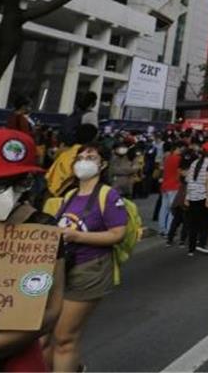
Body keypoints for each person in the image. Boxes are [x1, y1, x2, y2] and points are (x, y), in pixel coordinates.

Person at [0, 129, 66, 373]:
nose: (5, 192)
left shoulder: (40, 228)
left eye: (17, 182)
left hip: (6, 360)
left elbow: (50, 312)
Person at [51, 142, 129, 373]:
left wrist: (77, 236)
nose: (84, 161)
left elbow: (117, 235)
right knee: (48, 336)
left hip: (89, 269)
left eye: (91, 157)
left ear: (102, 164)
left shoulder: (108, 195)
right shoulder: (70, 194)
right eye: (81, 157)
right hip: (62, 269)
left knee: (64, 337)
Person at [183, 142, 208, 256]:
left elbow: (189, 180)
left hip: (192, 196)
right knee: (207, 222)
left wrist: (187, 196)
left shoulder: (194, 163)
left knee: (193, 223)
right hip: (203, 196)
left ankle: (191, 248)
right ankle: (202, 243)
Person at [158, 141, 181, 238]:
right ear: (176, 149)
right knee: (172, 209)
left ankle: (162, 229)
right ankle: (169, 230)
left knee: (164, 208)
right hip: (174, 186)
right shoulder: (179, 159)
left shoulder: (167, 158)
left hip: (165, 186)